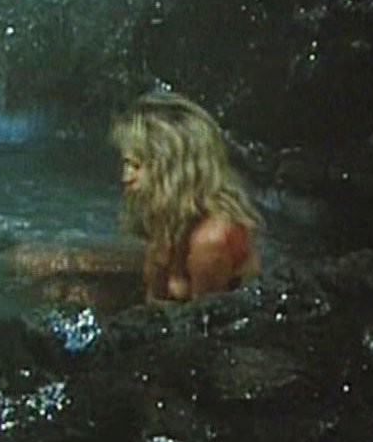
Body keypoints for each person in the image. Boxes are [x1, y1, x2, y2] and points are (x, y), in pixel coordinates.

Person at [112, 92, 262, 302]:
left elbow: (206, 320)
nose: (126, 178)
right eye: (126, 163)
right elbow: (154, 302)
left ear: (173, 170)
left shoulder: (211, 240)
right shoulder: (171, 220)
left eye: (137, 166)